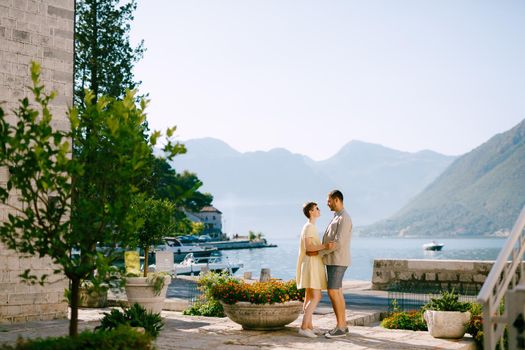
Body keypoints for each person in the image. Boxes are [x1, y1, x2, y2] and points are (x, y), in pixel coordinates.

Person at [308, 190, 353, 338]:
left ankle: (340, 327)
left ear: (336, 200)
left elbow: (338, 243)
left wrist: (319, 253)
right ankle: (343, 326)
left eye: (329, 201)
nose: (327, 203)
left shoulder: (344, 218)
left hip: (338, 260)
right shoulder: (337, 217)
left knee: (333, 291)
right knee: (337, 291)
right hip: (334, 260)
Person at [295, 202, 334, 338]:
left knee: (309, 296)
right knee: (317, 296)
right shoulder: (309, 227)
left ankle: (309, 326)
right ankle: (304, 327)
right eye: (316, 208)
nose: (319, 210)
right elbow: (309, 248)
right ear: (311, 212)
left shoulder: (309, 227)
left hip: (311, 263)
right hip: (311, 264)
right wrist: (325, 246)